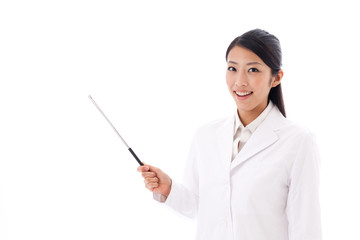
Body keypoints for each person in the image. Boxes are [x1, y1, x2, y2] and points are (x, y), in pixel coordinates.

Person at [138, 29, 322, 240]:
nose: (240, 82)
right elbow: (201, 209)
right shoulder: (205, 136)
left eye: (253, 70)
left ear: (276, 78)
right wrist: (168, 188)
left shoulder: (298, 142)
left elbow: (306, 228)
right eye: (232, 68)